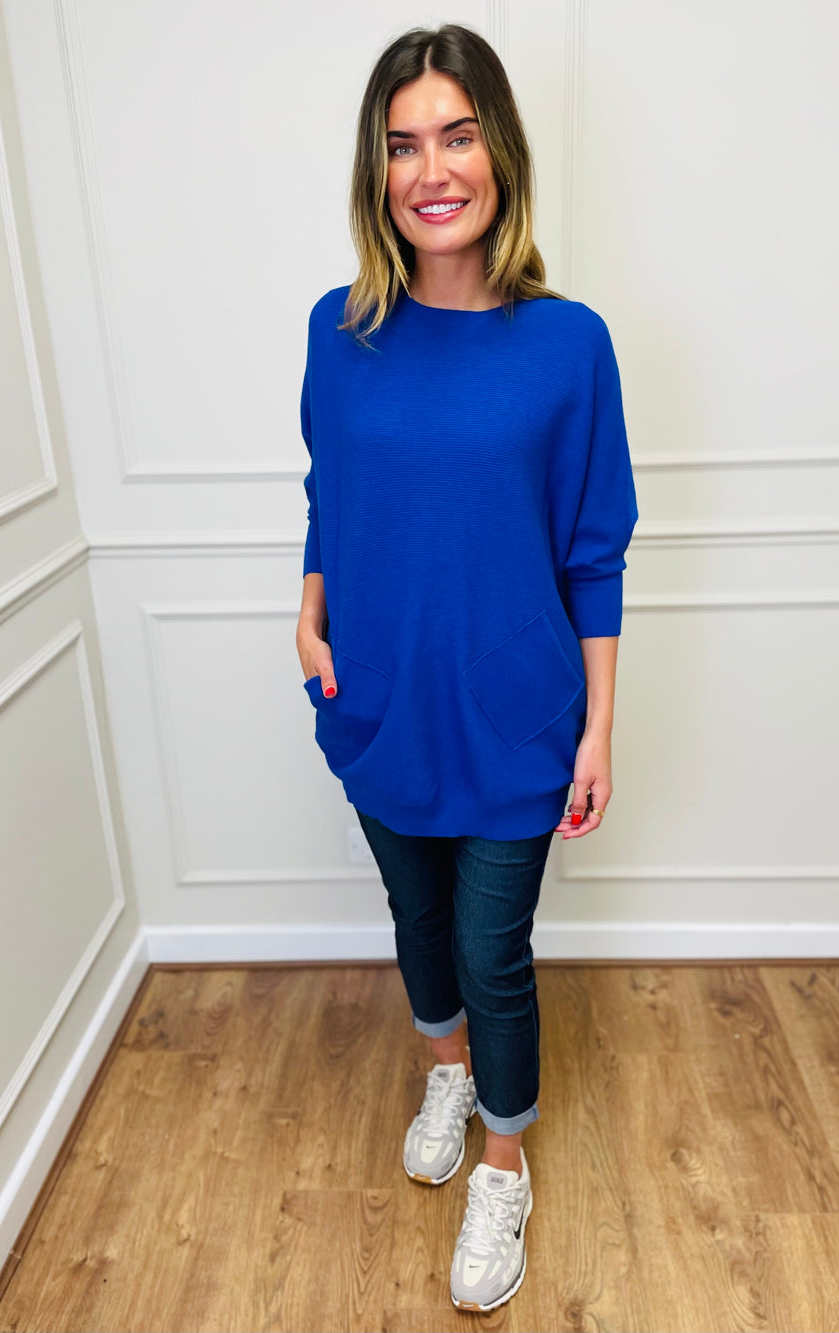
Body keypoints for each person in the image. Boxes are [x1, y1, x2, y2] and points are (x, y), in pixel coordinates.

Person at [295, 23, 638, 1313]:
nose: (431, 170)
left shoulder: (569, 344)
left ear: (502, 152)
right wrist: (310, 613)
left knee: (495, 952)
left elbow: (594, 551)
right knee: (418, 922)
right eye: (403, 145)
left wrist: (598, 729)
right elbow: (330, 492)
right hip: (378, 697)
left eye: (457, 135)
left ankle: (505, 1161)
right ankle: (447, 1073)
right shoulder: (338, 331)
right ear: (376, 171)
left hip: (515, 715)